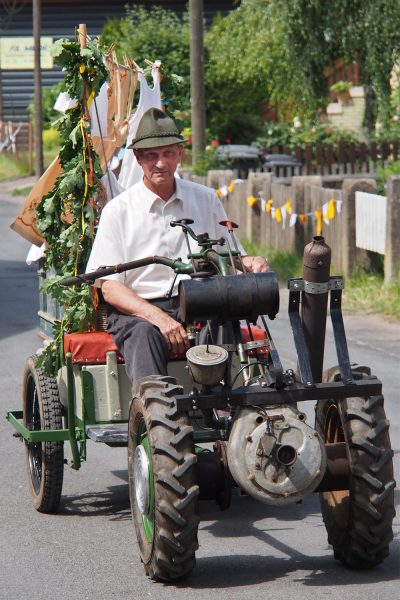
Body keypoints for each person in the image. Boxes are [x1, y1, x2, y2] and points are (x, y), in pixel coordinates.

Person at [86, 108, 269, 383]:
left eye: (168, 153)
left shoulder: (205, 199)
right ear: (138, 159)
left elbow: (231, 257)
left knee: (221, 320)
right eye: (151, 155)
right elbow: (109, 287)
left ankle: (228, 403)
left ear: (180, 154)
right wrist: (159, 318)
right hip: (139, 310)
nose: (161, 163)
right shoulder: (118, 211)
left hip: (199, 300)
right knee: (143, 334)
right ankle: (153, 412)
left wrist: (250, 262)